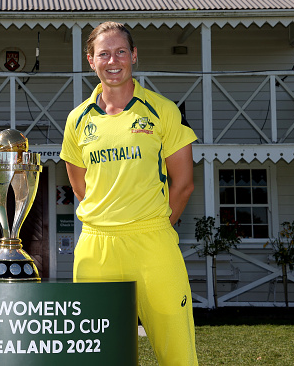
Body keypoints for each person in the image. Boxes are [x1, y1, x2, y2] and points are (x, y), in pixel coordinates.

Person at [60, 21, 198, 365]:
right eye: (103, 54)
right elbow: (81, 187)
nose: (113, 60)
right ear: (90, 60)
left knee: (176, 352)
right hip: (97, 245)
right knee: (99, 356)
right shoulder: (77, 120)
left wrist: (154, 226)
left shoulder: (163, 110)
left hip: (153, 242)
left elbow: (183, 185)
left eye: (121, 51)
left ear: (134, 55)